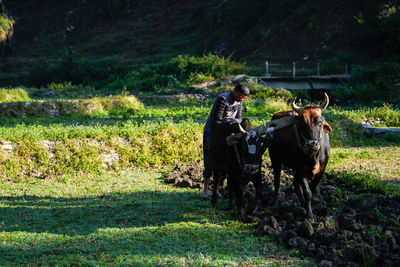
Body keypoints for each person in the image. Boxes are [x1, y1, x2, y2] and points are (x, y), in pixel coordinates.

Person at [202, 83, 250, 199]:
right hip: (212, 133)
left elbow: (239, 118)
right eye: (242, 96)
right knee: (210, 160)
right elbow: (217, 120)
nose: (242, 99)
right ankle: (205, 191)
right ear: (235, 92)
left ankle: (218, 189)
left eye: (244, 98)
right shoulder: (223, 99)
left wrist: (232, 122)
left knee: (226, 160)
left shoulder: (239, 102)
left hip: (227, 133)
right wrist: (231, 122)